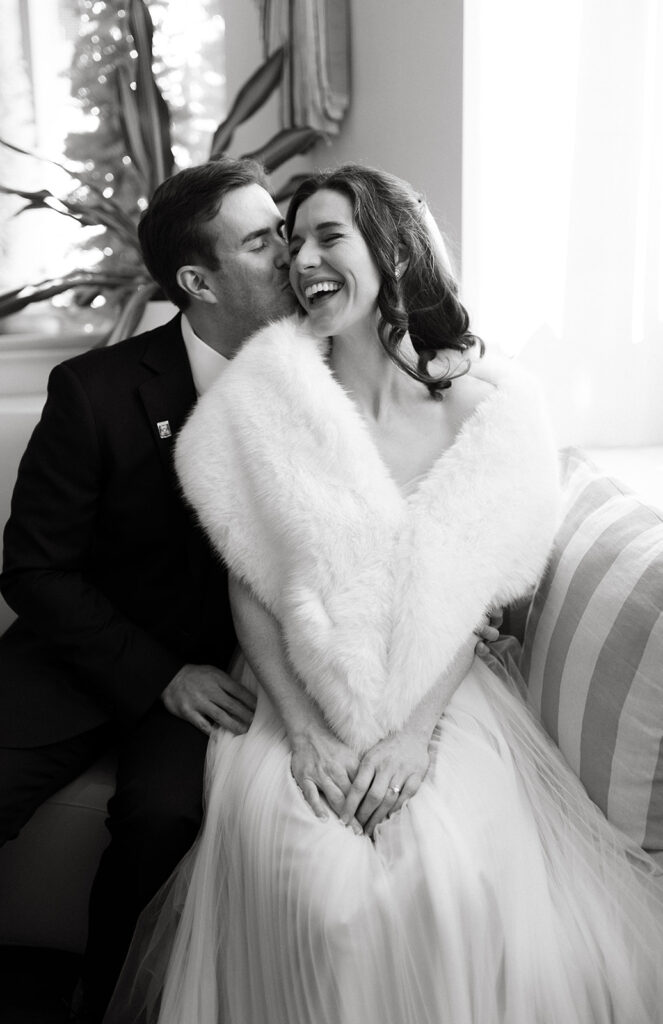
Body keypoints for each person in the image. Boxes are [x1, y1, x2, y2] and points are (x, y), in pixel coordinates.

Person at [107, 165, 663, 1024]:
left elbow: (477, 602)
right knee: (319, 888)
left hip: (440, 693)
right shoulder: (264, 397)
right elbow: (249, 586)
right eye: (291, 244)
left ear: (393, 251)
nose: (302, 259)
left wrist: (411, 738)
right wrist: (302, 732)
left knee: (447, 884)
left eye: (328, 236)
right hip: (295, 690)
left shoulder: (487, 410)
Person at [0, 156, 299, 1022]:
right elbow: (33, 570)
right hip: (81, 654)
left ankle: (105, 999)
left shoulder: (322, 376)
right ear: (197, 280)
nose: (287, 252)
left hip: (220, 674)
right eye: (260, 240)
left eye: (283, 229)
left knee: (163, 816)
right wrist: (156, 672)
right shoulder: (93, 390)